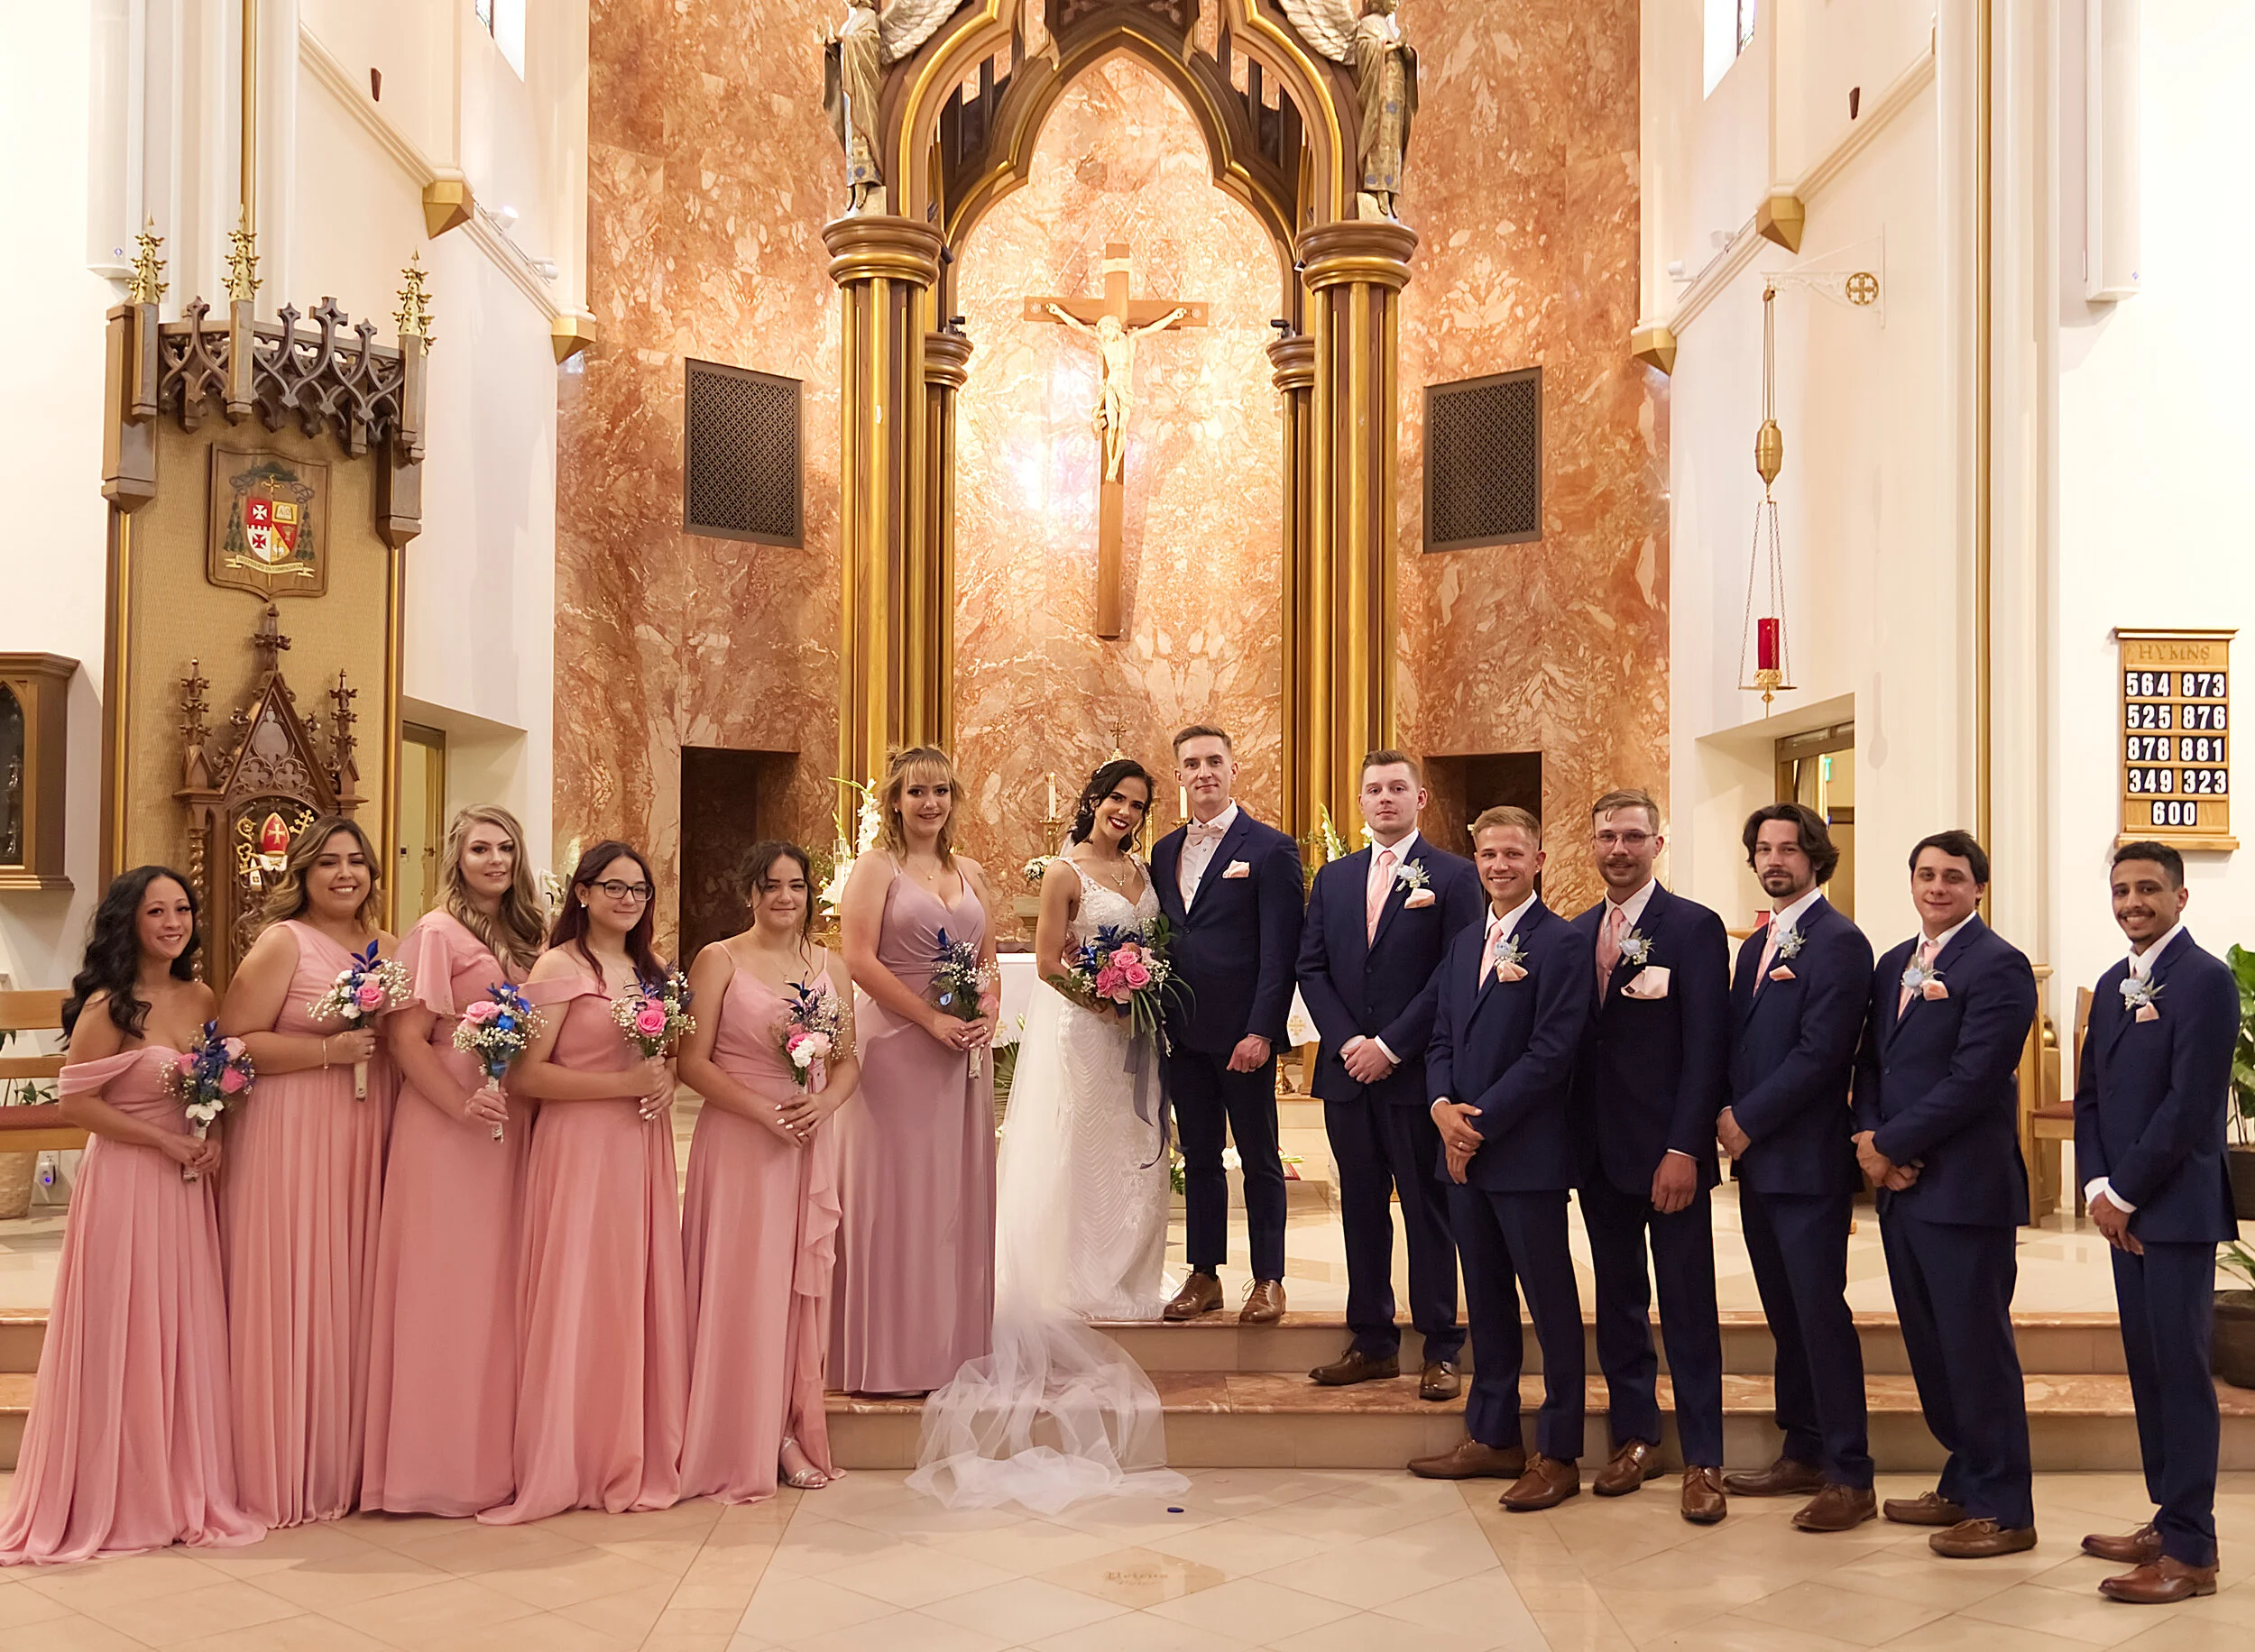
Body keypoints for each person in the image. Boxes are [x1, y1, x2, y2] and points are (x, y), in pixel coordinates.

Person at [911, 758, 1189, 1511]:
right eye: (1115, 801)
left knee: (1133, 1152)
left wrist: (1139, 987)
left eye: (1137, 805)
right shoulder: (1065, 872)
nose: (1125, 814)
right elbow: (1043, 960)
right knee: (1079, 1146)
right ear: (1092, 802)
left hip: (1134, 1032)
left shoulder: (1141, 870)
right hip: (1083, 1031)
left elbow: (1154, 945)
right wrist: (1101, 997)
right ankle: (1072, 1272)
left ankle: (1126, 1272)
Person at [0, 868, 262, 1563]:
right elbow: (77, 1104)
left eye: (182, 909)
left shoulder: (202, 994)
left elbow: (214, 1083)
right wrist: (166, 1139)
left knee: (181, 1330)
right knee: (126, 1328)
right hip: (126, 1183)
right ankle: (115, 1491)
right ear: (130, 921)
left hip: (184, 1186)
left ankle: (179, 1484)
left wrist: (207, 1135)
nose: (173, 922)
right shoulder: (110, 1008)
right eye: (157, 911)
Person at [481, 841, 687, 1523]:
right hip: (579, 1149)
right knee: (580, 1292)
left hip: (640, 1150)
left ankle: (626, 1444)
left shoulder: (650, 971)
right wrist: (622, 1084)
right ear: (582, 893)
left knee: (629, 1292)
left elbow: (662, 1059)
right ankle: (570, 1455)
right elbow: (526, 1076)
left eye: (639, 890)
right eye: (614, 887)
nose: (628, 900)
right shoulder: (560, 965)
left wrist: (660, 1077)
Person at [1854, 830, 2039, 1558]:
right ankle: (1964, 1480)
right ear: (1911, 882)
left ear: (1977, 889)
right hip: (1903, 1189)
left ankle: (2007, 1508)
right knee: (1933, 1351)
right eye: (1926, 874)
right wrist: (1871, 1143)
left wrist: (1892, 1145)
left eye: (1953, 877)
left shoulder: (1999, 966)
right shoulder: (1896, 963)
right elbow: (1871, 1063)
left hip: (1965, 1190)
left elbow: (1976, 1079)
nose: (1937, 887)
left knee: (1976, 1350)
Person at [362, 805, 547, 1517]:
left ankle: (494, 1457)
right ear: (455, 857)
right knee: (448, 1286)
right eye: (479, 848)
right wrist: (459, 1105)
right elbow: (406, 1040)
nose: (494, 859)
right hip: (447, 1125)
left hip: (511, 1120)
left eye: (505, 847)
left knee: (500, 1287)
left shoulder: (528, 936)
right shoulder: (435, 934)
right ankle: (432, 1468)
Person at [1409, 806, 1593, 1512]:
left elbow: (1552, 1053)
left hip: (1527, 1156)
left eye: (1513, 853)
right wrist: (1440, 1111)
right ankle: (1492, 1436)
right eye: (1487, 854)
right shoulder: (1464, 945)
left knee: (1550, 1307)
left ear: (1539, 859)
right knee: (1483, 1300)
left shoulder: (1562, 944)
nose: (1498, 865)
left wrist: (1475, 1126)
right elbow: (1441, 1042)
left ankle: (1559, 1450)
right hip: (1463, 1158)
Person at [217, 815, 395, 1528]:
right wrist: (329, 1053)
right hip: (291, 1130)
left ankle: (345, 1463)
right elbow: (235, 1042)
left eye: (356, 862)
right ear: (303, 873)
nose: (344, 874)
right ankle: (280, 1466)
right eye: (328, 863)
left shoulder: (387, 947)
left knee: (351, 1287)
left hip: (364, 1127)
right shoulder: (282, 942)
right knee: (296, 1280)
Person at [2073, 841, 2237, 1603]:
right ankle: (2166, 1520)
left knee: (2180, 1374)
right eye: (2121, 890)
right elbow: (2095, 1098)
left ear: (2179, 897)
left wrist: (2128, 1195)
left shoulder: (2205, 980)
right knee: (2147, 1370)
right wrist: (2100, 1187)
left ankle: (2193, 1552)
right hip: (2125, 1209)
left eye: (2147, 889)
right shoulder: (2113, 984)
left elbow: (2192, 1104)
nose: (2132, 902)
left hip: (2173, 1211)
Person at [1568, 789, 1732, 1523]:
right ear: (1591, 844)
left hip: (1669, 1157)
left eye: (1633, 836)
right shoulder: (1574, 934)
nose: (1619, 849)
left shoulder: (1693, 929)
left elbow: (1707, 1051)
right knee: (1621, 1305)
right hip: (1599, 1156)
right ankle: (1636, 1437)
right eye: (1606, 837)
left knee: (1689, 1306)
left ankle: (1705, 1459)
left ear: (1657, 845)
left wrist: (1683, 1148)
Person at [1296, 749, 1480, 1398]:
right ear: (1360, 799)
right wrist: (1349, 1042)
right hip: (1348, 1076)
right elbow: (1311, 967)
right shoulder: (1335, 878)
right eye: (1373, 789)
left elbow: (1454, 974)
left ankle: (1441, 1346)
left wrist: (1391, 1046)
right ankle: (1372, 1341)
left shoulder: (1455, 878)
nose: (1384, 799)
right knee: (1360, 1211)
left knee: (1428, 1211)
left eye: (1397, 788)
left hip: (1416, 1076)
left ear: (1420, 799)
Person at [678, 842, 855, 1503]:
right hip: (741, 1143)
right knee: (742, 1282)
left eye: (797, 886)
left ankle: (786, 1426)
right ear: (750, 893)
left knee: (791, 1289)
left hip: (807, 1142)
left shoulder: (828, 964)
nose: (785, 897)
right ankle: (739, 1432)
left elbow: (849, 1061)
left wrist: (824, 1104)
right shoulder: (718, 959)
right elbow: (689, 1062)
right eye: (772, 886)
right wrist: (761, 1111)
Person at [1717, 803, 1876, 1532]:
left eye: (1788, 848)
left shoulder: (1839, 942)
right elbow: (1738, 1043)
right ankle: (1803, 1449)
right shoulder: (1756, 944)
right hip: (1759, 1166)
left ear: (1816, 856)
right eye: (1763, 849)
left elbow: (1822, 1054)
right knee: (1786, 1316)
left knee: (1820, 1314)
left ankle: (1850, 1472)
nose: (1774, 859)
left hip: (1806, 1161)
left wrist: (1744, 1121)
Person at [833, 747, 1001, 1394]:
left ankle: (949, 1349)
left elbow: (986, 960)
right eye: (916, 792)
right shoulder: (877, 869)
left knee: (951, 1199)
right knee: (895, 1197)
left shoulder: (973, 872)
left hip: (961, 1055)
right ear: (895, 803)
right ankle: (886, 1354)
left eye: (940, 791)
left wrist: (986, 1013)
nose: (930, 803)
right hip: (897, 1049)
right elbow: (858, 960)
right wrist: (930, 1020)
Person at [1149, 726, 1303, 1325]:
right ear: (1181, 776)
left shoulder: (1270, 848)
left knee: (1261, 1156)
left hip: (1244, 1035)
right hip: (1182, 1033)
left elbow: (1280, 949)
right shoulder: (1164, 852)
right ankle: (1205, 1273)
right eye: (1192, 763)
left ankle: (1269, 1278)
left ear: (1235, 769)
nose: (1204, 771)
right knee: (1202, 1157)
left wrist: (1262, 1030)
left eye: (1215, 760)